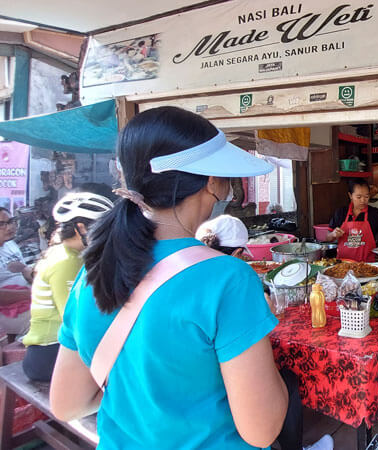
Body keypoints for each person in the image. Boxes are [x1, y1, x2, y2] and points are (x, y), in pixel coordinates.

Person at [49, 106, 290, 449]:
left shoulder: (91, 273)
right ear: (212, 181)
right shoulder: (227, 278)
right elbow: (262, 429)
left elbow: (67, 403)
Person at [196, 214, 333, 450]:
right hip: (222, 379)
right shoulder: (235, 275)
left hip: (194, 377)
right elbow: (254, 322)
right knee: (287, 379)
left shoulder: (192, 268)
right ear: (239, 253)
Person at [22, 192, 114, 382]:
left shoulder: (63, 252)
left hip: (48, 352)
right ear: (81, 228)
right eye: (104, 227)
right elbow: (75, 321)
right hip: (50, 353)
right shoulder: (67, 262)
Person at [326, 179, 378, 262]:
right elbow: (327, 237)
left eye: (366, 197)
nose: (363, 200)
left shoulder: (375, 214)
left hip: (368, 266)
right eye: (359, 197)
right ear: (350, 195)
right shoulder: (341, 213)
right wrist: (333, 234)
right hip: (342, 265)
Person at [0, 207, 33, 337]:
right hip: (7, 310)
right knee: (45, 317)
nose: (9, 227)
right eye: (2, 224)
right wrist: (33, 294)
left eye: (11, 221)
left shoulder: (10, 245)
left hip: (25, 300)